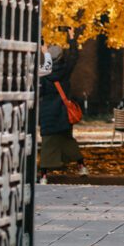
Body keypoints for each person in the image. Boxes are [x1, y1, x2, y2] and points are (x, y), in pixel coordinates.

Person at [38, 31, 86, 181]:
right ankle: (82, 167)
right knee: (68, 141)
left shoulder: (43, 73)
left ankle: (44, 176)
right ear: (60, 57)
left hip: (48, 114)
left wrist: (42, 47)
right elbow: (74, 57)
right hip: (63, 114)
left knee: (47, 144)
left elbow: (40, 92)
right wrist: (72, 37)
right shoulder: (65, 71)